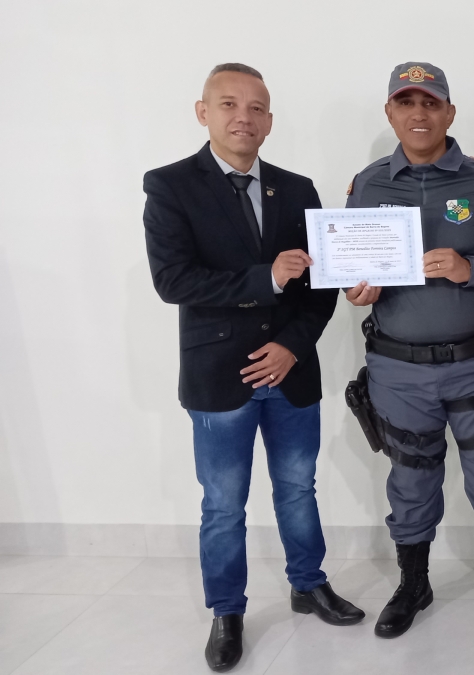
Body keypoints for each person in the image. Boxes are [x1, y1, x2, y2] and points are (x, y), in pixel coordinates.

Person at [143, 63, 363, 672]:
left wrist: (292, 344)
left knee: (298, 488)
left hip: (291, 371)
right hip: (220, 378)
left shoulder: (296, 188)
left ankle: (308, 583)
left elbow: (319, 286)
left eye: (257, 107)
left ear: (269, 120)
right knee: (223, 503)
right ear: (203, 112)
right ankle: (227, 610)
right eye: (229, 104)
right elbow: (173, 281)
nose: (244, 116)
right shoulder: (170, 186)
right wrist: (264, 279)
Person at [342, 62, 474, 639]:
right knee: (410, 481)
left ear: (450, 112)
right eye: (406, 102)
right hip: (397, 370)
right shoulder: (367, 185)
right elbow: (350, 270)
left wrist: (471, 269)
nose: (419, 114)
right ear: (390, 112)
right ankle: (414, 583)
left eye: (431, 103)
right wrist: (357, 289)